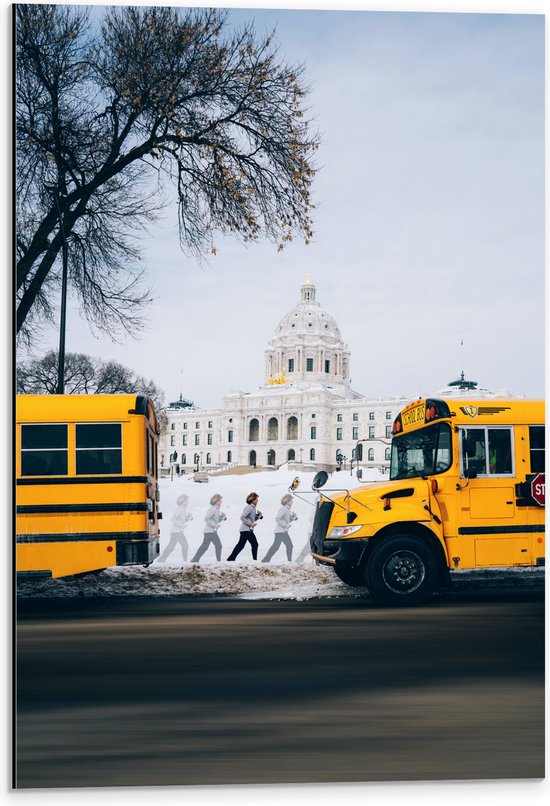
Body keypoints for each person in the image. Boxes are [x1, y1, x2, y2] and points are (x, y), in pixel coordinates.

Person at [157, 493, 192, 563]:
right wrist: (181, 525)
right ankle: (185, 561)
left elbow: (182, 520)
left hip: (178, 531)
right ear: (183, 501)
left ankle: (161, 560)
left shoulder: (182, 509)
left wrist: (188, 518)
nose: (188, 502)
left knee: (172, 546)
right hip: (176, 531)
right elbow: (173, 519)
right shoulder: (179, 509)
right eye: (186, 501)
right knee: (185, 546)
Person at [227, 492, 262, 561]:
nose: (258, 501)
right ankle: (254, 560)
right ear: (253, 500)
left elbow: (252, 519)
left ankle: (231, 559)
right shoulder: (249, 507)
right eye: (257, 499)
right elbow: (242, 517)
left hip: (246, 530)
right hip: (246, 530)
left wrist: (258, 516)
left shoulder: (253, 508)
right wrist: (250, 524)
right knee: (255, 544)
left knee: (241, 545)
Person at [262, 493, 297, 562]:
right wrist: (286, 525)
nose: (292, 502)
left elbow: (287, 520)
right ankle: (289, 561)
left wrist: (294, 517)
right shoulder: (283, 509)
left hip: (282, 531)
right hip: (281, 531)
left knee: (276, 546)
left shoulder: (288, 509)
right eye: (291, 500)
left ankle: (265, 560)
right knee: (289, 546)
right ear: (287, 501)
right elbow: (277, 519)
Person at [191, 494, 226, 562]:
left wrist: (223, 517)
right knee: (218, 545)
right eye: (220, 500)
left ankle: (195, 560)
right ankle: (218, 561)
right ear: (216, 501)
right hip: (210, 531)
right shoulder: (213, 509)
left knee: (204, 547)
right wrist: (214, 525)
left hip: (210, 531)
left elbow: (217, 520)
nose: (221, 502)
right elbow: (206, 519)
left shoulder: (216, 509)